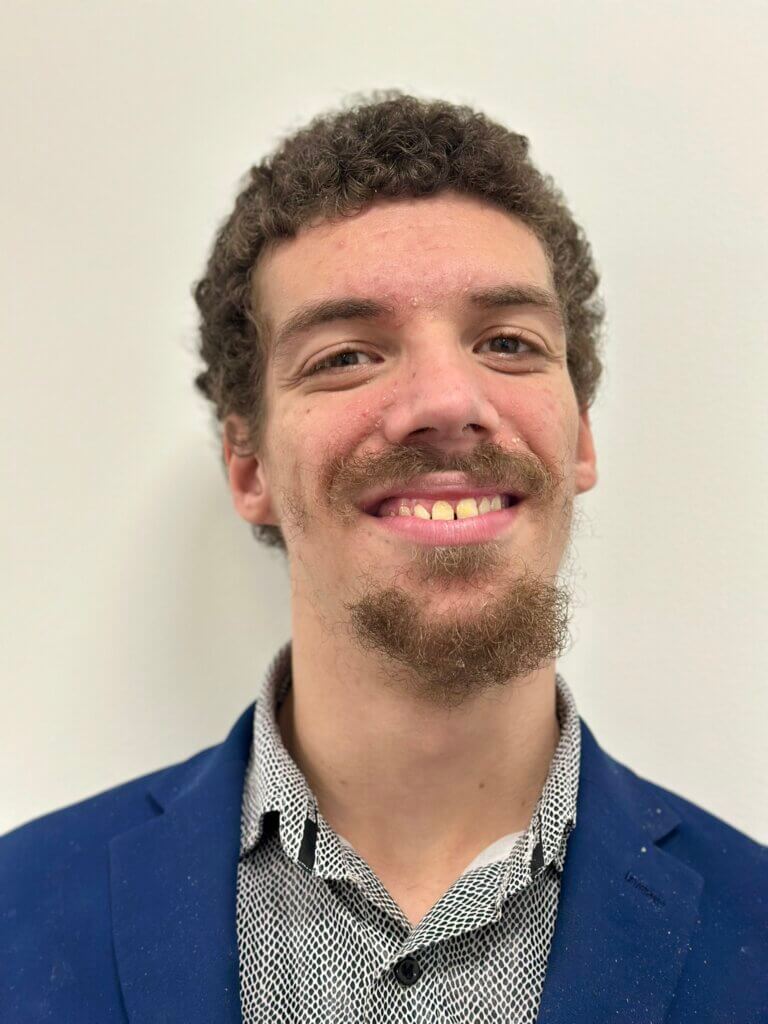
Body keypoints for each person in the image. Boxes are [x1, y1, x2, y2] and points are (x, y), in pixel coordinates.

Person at [1, 91, 766, 1024]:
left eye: (507, 343)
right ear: (248, 466)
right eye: (347, 356)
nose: (448, 398)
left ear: (580, 441)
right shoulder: (20, 918)